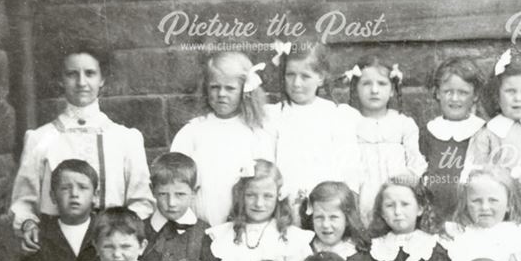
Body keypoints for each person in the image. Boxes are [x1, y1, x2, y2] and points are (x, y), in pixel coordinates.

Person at [11, 43, 153, 254]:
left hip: (112, 250)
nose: (81, 82)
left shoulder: (126, 139)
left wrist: (119, 234)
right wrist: (28, 225)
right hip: (57, 247)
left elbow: (142, 201)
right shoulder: (40, 138)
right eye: (71, 74)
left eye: (90, 73)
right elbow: (23, 202)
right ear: (61, 79)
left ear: (102, 79)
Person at [170, 51, 277, 225]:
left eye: (230, 88)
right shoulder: (192, 132)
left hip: (242, 225)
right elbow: (174, 180)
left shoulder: (256, 132)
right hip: (201, 224)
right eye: (215, 87)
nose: (221, 94)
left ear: (245, 90)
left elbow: (265, 182)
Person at [206, 159, 313, 261]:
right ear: (241, 195)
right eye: (251, 195)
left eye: (268, 196)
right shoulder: (225, 236)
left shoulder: (291, 237)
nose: (259, 203)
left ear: (279, 196)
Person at [270, 41, 361, 209]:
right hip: (284, 205)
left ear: (320, 77)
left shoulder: (335, 115)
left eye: (305, 76)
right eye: (290, 75)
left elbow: (349, 166)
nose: (296, 83)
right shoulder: (274, 115)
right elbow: (268, 165)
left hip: (326, 207)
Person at [346, 55, 428, 223]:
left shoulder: (403, 123)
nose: (374, 90)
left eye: (382, 84)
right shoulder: (349, 122)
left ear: (392, 89)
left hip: (395, 194)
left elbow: (416, 162)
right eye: (366, 84)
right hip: (360, 194)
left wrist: (409, 176)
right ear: (355, 88)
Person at [418, 57, 486, 221]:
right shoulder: (429, 131)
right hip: (436, 212)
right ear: (437, 93)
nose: (455, 99)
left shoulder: (483, 131)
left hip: (472, 213)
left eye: (463, 93)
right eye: (448, 92)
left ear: (475, 95)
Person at [369, 180, 450, 261]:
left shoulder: (433, 249)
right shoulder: (375, 249)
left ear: (420, 208)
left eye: (405, 204)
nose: (397, 211)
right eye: (389, 205)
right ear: (382, 212)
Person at [140, 152, 221, 261]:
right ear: (152, 190)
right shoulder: (140, 230)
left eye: (180, 194)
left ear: (194, 192)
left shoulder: (204, 233)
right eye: (163, 194)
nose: (171, 202)